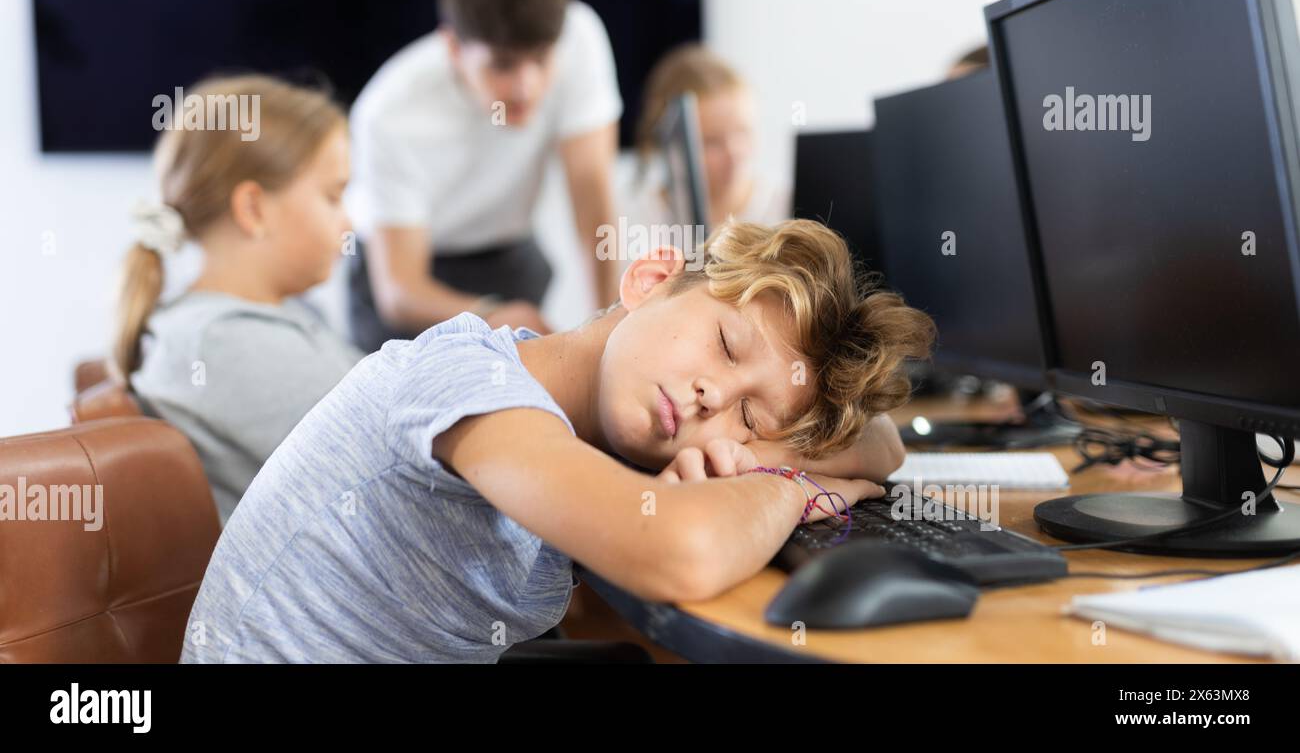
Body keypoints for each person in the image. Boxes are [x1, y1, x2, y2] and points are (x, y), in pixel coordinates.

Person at [181, 218, 935, 662]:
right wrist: (789, 482)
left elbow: (882, 446)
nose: (713, 398)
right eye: (728, 347)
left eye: (748, 417)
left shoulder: (600, 437)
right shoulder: (467, 378)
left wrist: (762, 450)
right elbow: (683, 550)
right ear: (648, 278)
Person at [346, 0, 624, 352]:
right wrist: (491, 314)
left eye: (542, 60)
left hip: (509, 254)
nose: (526, 87)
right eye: (503, 66)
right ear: (454, 48)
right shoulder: (390, 112)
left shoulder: (577, 35)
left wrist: (609, 329)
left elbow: (591, 195)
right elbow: (399, 291)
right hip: (415, 279)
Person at [113, 74, 364, 524]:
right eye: (333, 196)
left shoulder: (278, 316)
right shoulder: (222, 342)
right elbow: (397, 450)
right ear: (253, 209)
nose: (349, 224)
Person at [624, 43, 789, 240]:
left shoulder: (787, 208)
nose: (734, 152)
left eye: (743, 132)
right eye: (711, 141)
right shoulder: (636, 220)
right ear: (672, 146)